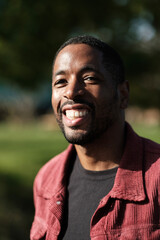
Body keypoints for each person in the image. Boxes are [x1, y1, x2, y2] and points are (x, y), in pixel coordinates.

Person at [30, 35, 160, 240]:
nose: (71, 92)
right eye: (60, 82)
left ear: (123, 95)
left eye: (89, 78)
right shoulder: (46, 180)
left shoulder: (157, 179)